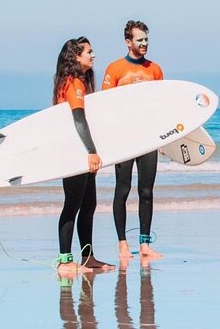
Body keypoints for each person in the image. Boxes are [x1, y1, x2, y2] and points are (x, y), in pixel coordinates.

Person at [102, 20, 164, 260]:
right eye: (140, 40)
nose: (144, 43)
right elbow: (105, 107)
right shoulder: (115, 69)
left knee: (146, 191)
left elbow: (160, 105)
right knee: (123, 190)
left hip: (148, 138)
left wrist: (164, 137)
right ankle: (122, 244)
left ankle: (145, 244)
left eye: (146, 39)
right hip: (123, 139)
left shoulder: (155, 69)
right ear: (128, 42)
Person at [53, 37, 114, 274]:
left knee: (88, 204)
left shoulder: (77, 82)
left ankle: (88, 257)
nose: (93, 55)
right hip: (74, 152)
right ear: (76, 57)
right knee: (73, 205)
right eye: (89, 52)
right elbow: (78, 119)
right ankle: (65, 261)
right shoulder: (74, 84)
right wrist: (91, 151)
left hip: (79, 150)